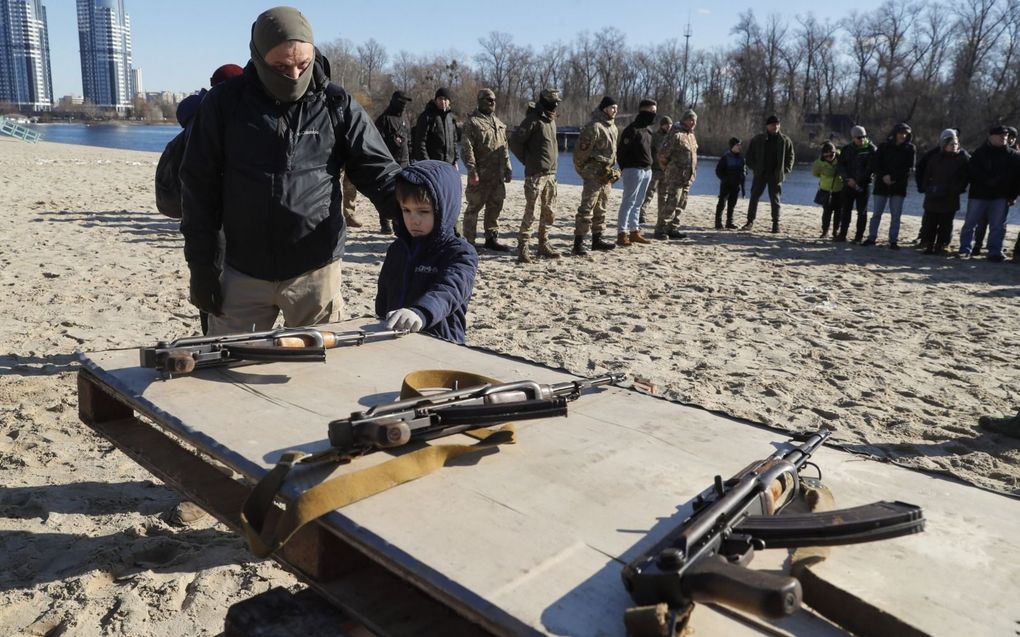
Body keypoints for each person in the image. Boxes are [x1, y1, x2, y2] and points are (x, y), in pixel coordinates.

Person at [180, 6, 401, 336]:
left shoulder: (337, 105)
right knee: (228, 371)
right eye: (281, 67)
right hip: (242, 272)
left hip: (315, 272)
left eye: (303, 64)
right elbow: (199, 187)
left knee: (319, 376)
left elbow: (379, 172)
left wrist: (419, 216)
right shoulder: (224, 104)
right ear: (257, 56)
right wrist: (201, 267)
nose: (295, 76)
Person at [376, 161, 477, 344]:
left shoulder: (460, 253)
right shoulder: (398, 249)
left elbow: (449, 291)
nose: (414, 220)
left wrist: (420, 312)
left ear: (444, 209)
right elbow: (384, 294)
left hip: (440, 343)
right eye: (406, 210)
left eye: (423, 211)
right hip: (395, 340)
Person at [510, 88, 564, 263]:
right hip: (535, 175)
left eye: (557, 102)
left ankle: (543, 244)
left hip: (551, 174)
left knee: (549, 212)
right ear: (543, 101)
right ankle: (523, 247)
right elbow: (514, 142)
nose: (555, 105)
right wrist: (528, 160)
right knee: (531, 213)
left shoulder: (551, 120)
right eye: (552, 101)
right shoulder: (533, 120)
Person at [957, 125, 1020, 262]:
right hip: (979, 195)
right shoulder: (980, 153)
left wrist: (1012, 195)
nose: (1004, 138)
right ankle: (965, 249)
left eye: (1005, 136)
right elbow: (972, 172)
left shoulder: (1013, 156)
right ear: (991, 137)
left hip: (1001, 196)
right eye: (1000, 135)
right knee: (970, 224)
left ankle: (994, 252)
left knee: (997, 226)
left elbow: (1016, 179)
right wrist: (986, 181)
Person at [461, 88, 513, 251]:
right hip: (480, 174)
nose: (492, 103)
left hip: (496, 175)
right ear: (480, 101)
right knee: (473, 208)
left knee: (495, 206)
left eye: (494, 100)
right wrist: (471, 170)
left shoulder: (499, 123)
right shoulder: (473, 122)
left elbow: (504, 147)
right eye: (488, 100)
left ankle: (491, 238)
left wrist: (508, 166)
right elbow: (466, 149)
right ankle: (469, 240)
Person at [572, 95, 620, 255]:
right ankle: (578, 243)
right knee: (586, 208)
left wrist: (614, 170)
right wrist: (584, 171)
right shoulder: (594, 127)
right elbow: (580, 153)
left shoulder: (613, 128)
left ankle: (597, 240)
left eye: (616, 108)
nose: (615, 111)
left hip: (606, 175)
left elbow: (613, 153)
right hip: (593, 174)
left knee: (602, 208)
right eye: (613, 107)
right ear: (605, 108)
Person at [915, 129, 969, 255]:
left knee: (946, 224)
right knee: (930, 223)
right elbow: (926, 174)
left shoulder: (962, 159)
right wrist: (927, 188)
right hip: (933, 196)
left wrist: (956, 189)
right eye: (951, 144)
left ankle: (942, 245)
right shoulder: (934, 158)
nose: (954, 147)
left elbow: (964, 178)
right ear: (944, 145)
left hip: (950, 197)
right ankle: (929, 245)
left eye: (956, 144)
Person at [863, 122, 915, 249]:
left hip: (899, 185)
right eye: (901, 133)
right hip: (881, 184)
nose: (903, 136)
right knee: (876, 214)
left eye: (905, 134)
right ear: (895, 133)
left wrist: (893, 178)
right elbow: (876, 164)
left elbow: (908, 168)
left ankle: (893, 240)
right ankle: (871, 237)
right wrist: (884, 175)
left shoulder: (910, 149)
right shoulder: (884, 146)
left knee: (896, 215)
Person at [741, 114, 795, 233]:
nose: (775, 126)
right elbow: (749, 156)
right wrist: (755, 168)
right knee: (754, 197)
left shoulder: (785, 140)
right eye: (772, 124)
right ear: (767, 126)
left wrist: (785, 170)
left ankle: (776, 224)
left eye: (777, 124)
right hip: (760, 174)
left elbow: (791, 157)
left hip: (776, 175)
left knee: (775, 200)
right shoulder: (758, 139)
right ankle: (750, 222)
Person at [615, 99, 657, 246]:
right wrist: (625, 169)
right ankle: (622, 233)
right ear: (643, 111)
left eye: (655, 111)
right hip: (633, 170)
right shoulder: (631, 130)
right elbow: (620, 153)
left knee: (638, 203)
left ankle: (634, 231)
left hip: (647, 170)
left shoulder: (649, 130)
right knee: (628, 202)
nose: (654, 114)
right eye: (652, 111)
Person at [656, 109, 699, 240]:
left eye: (695, 120)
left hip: (688, 176)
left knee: (681, 204)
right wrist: (668, 169)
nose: (692, 122)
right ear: (684, 120)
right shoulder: (675, 134)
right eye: (690, 119)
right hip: (675, 176)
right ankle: (661, 229)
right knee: (671, 203)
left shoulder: (691, 135)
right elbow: (663, 154)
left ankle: (673, 228)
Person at [835, 125, 877, 243]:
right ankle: (842, 234)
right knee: (846, 210)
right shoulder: (847, 149)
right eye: (859, 137)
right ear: (853, 138)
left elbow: (870, 169)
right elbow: (840, 166)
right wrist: (847, 179)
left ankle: (859, 236)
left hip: (864, 185)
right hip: (848, 184)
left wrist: (857, 181)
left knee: (862, 211)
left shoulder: (871, 149)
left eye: (863, 136)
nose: (861, 139)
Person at [639, 116, 672, 224]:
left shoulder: (672, 138)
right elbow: (649, 152)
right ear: (662, 125)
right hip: (655, 170)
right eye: (666, 124)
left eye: (670, 125)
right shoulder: (655, 137)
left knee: (663, 196)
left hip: (666, 171)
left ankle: (661, 217)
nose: (668, 127)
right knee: (649, 193)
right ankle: (641, 214)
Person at [412, 87, 458, 166]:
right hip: (432, 165)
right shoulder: (427, 116)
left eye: (445, 99)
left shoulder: (451, 118)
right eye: (440, 99)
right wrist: (427, 163)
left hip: (448, 165)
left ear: (449, 101)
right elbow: (420, 142)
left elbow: (454, 142)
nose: (443, 102)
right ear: (436, 100)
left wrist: (455, 160)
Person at [811, 141, 844, 238]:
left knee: (839, 212)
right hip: (825, 190)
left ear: (835, 152)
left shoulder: (841, 158)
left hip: (839, 190)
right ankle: (825, 231)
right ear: (823, 155)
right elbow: (815, 173)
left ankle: (835, 231)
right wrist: (825, 177)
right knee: (826, 213)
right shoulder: (818, 163)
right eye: (827, 155)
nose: (830, 157)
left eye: (832, 154)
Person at [714, 137, 746, 230]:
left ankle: (729, 222)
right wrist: (724, 179)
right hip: (726, 184)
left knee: (732, 204)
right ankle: (718, 223)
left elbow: (743, 173)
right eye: (737, 145)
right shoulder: (725, 157)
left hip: (736, 185)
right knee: (721, 203)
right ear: (732, 146)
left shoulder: (742, 158)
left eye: (740, 145)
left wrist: (743, 188)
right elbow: (718, 170)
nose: (739, 147)